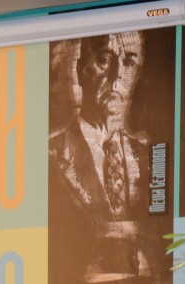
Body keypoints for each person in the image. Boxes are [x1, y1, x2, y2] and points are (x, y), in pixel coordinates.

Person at [48, 32, 151, 222]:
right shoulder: (51, 155)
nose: (117, 74)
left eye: (129, 62)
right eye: (104, 60)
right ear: (81, 70)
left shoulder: (148, 155)